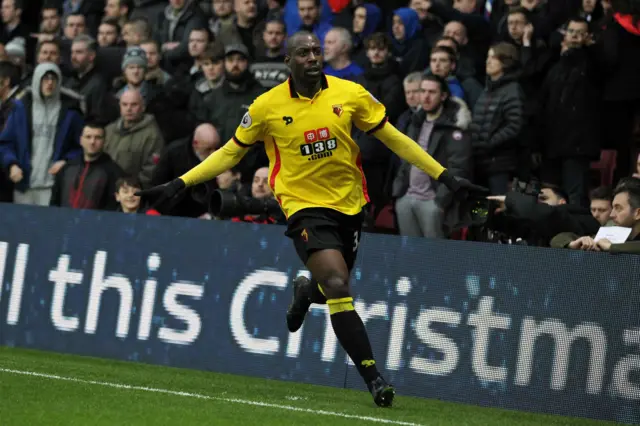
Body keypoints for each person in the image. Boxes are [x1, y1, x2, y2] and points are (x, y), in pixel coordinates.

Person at [136, 31, 484, 407]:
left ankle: (305, 291)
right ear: (289, 61)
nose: (313, 57)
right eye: (303, 53)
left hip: (350, 205)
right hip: (302, 206)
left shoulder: (349, 94)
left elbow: (396, 139)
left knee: (334, 282)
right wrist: (181, 182)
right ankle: (375, 378)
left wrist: (445, 176)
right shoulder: (267, 106)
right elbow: (229, 153)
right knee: (337, 283)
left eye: (317, 51)